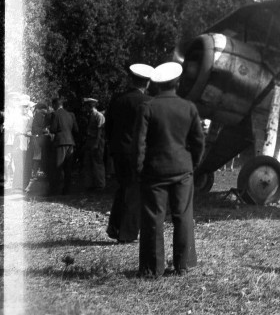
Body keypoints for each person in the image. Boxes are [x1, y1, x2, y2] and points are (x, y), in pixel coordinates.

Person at [135, 62, 205, 278]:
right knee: (183, 217)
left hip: (155, 171)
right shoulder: (189, 107)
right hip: (183, 170)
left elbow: (140, 144)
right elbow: (199, 142)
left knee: (153, 219)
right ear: (178, 82)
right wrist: (192, 164)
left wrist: (140, 169)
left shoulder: (148, 107)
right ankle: (182, 265)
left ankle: (152, 269)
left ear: (156, 84)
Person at [106, 64, 153, 243]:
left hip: (119, 151)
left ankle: (114, 226)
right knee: (134, 192)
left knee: (123, 188)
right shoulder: (148, 101)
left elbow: (108, 127)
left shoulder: (117, 99)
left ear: (132, 80)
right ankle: (127, 234)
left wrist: (113, 146)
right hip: (137, 153)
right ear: (147, 83)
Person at [48, 97, 79, 196]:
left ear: (55, 105)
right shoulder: (71, 115)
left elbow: (53, 129)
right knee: (68, 168)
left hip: (60, 142)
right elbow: (76, 130)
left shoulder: (55, 114)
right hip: (71, 143)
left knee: (58, 166)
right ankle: (67, 190)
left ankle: (55, 191)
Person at [82, 98, 106, 191]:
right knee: (88, 162)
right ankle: (91, 184)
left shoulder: (99, 116)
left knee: (97, 163)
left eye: (87, 105)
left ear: (90, 106)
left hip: (97, 141)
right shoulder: (90, 115)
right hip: (90, 140)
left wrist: (96, 143)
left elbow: (100, 131)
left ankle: (100, 184)